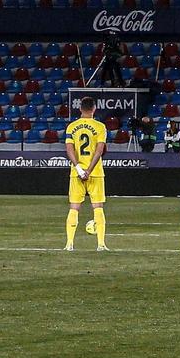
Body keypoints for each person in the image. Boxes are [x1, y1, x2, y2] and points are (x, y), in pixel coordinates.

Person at [63, 95, 109, 252]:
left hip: (76, 173)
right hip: (95, 172)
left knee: (74, 207)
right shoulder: (100, 127)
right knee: (98, 207)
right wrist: (89, 170)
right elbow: (99, 149)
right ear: (94, 109)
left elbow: (69, 149)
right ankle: (101, 244)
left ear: (80, 108)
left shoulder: (72, 127)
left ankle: (69, 244)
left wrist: (78, 168)